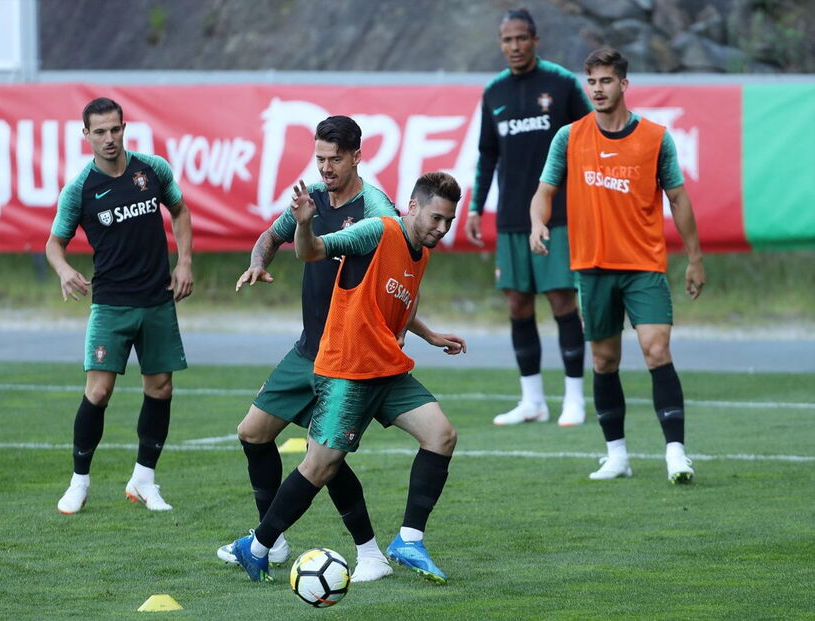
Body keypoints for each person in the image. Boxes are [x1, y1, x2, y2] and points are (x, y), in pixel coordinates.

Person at [220, 116, 465, 582]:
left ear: (356, 157)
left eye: (335, 159)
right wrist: (274, 249)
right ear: (415, 208)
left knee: (434, 437)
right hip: (331, 355)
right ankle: (269, 544)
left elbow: (391, 294)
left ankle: (398, 544)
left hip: (370, 361)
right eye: (321, 158)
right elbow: (300, 246)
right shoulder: (365, 221)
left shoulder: (383, 217)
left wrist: (425, 334)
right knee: (280, 444)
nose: (326, 167)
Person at [529, 48, 705, 483]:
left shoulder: (655, 138)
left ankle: (676, 454)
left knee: (656, 350)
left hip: (643, 265)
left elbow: (678, 199)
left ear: (624, 84)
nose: (597, 89)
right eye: (591, 81)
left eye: (606, 81)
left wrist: (694, 259)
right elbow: (545, 191)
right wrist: (537, 222)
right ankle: (617, 456)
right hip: (592, 268)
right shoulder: (569, 137)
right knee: (605, 360)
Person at [46, 97, 193, 513]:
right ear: (86, 135)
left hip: (157, 299)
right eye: (100, 132)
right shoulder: (80, 189)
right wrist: (63, 270)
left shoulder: (153, 170)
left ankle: (144, 480)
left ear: (124, 128)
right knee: (99, 390)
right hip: (110, 304)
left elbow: (180, 211)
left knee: (160, 388)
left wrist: (184, 262)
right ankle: (79, 482)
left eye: (115, 129)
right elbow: (54, 244)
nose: (109, 138)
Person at [467, 8, 592, 427]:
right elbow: (487, 154)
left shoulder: (561, 83)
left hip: (557, 215)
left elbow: (589, 139)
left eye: (522, 38)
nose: (515, 46)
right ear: (500, 44)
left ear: (535, 40)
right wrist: (476, 206)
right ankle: (532, 400)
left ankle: (574, 398)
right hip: (512, 217)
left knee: (561, 299)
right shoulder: (494, 92)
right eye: (508, 40)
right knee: (518, 304)